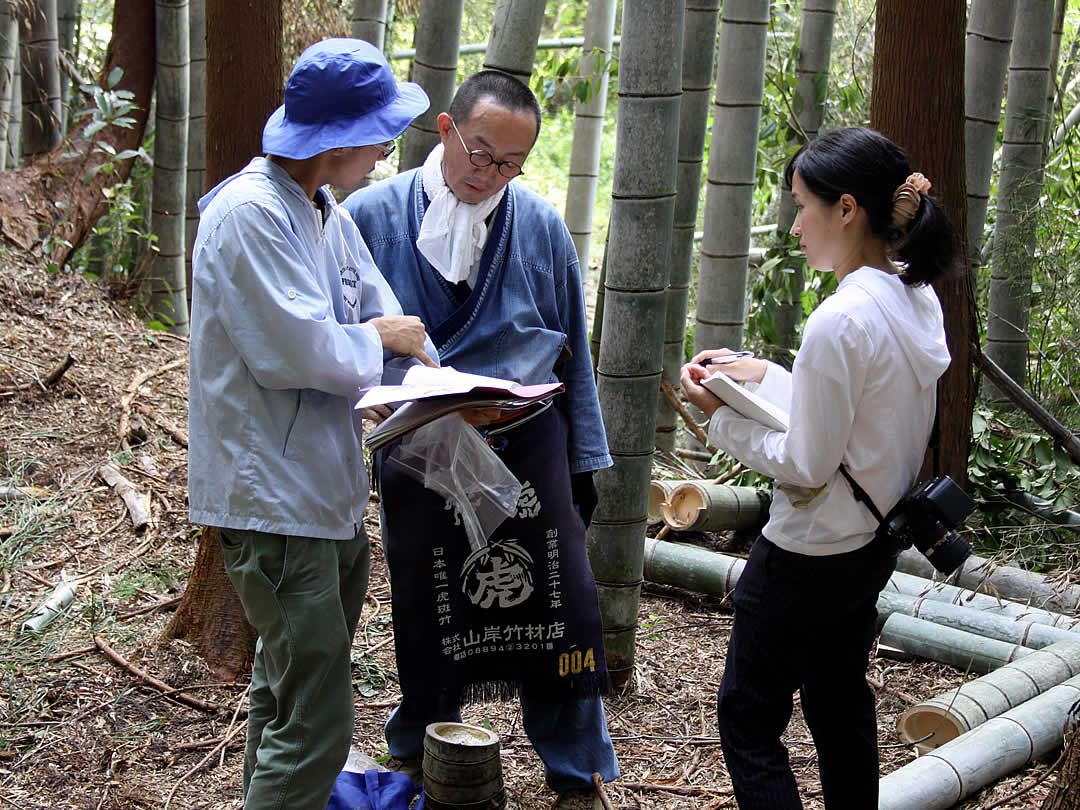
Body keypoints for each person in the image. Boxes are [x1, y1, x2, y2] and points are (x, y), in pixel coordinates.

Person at [343, 70, 619, 808]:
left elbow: (575, 354)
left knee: (559, 611)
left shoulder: (540, 226)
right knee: (431, 606)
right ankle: (422, 751)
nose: (490, 174)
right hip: (420, 447)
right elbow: (336, 342)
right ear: (446, 130)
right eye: (481, 154)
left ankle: (575, 769)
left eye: (511, 164)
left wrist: (584, 458)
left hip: (528, 444)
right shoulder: (367, 215)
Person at [187, 39, 436, 810]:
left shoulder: (323, 210)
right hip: (271, 499)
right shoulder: (248, 216)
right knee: (319, 723)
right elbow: (297, 350)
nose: (387, 148)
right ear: (336, 138)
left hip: (323, 492)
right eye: (380, 132)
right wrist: (386, 343)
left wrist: (440, 382)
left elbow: (384, 314)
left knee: (288, 696)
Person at [680, 126, 957, 809]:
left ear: (846, 209)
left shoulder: (840, 319)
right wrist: (765, 375)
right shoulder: (913, 296)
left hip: (806, 552)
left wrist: (719, 417)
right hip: (871, 541)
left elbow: (807, 462)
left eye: (804, 205)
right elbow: (854, 413)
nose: (796, 224)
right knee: (837, 703)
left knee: (748, 718)